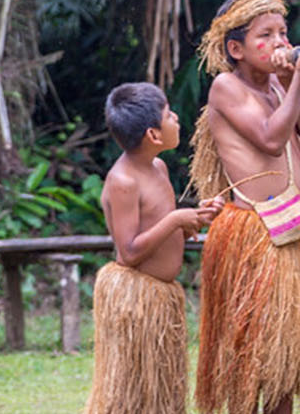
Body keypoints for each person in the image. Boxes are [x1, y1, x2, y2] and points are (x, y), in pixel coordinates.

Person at [188, 0, 300, 414]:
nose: (280, 42)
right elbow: (272, 139)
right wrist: (297, 84)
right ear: (236, 48)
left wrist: (295, 78)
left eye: (283, 32)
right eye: (266, 35)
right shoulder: (226, 86)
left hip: (288, 228)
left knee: (281, 359)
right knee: (249, 356)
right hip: (253, 232)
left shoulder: (280, 85)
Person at [85, 82, 221, 414]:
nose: (176, 118)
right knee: (130, 395)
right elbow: (129, 251)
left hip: (162, 297)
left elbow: (159, 227)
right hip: (136, 298)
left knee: (162, 395)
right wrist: (176, 220)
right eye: (169, 114)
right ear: (153, 135)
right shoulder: (123, 181)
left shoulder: (157, 168)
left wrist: (194, 220)